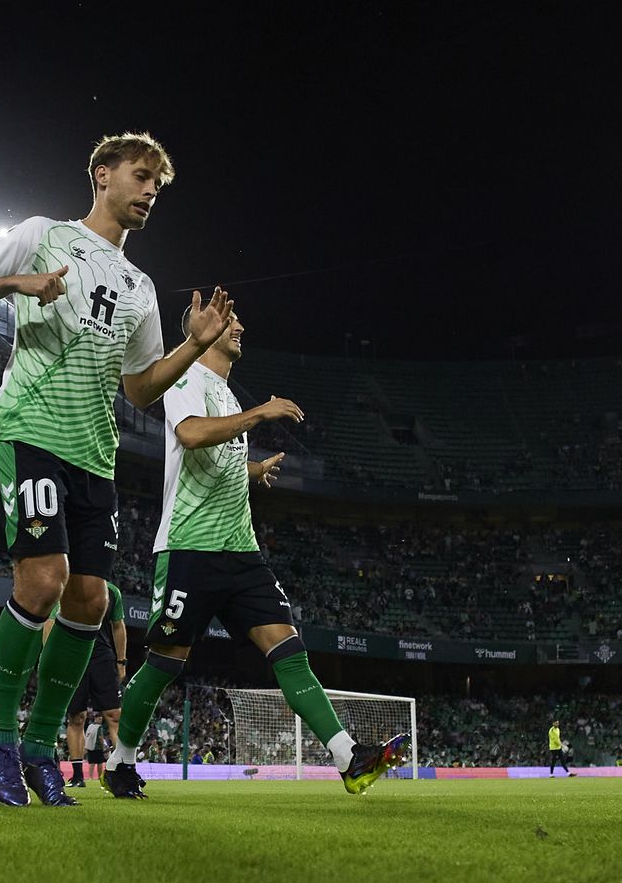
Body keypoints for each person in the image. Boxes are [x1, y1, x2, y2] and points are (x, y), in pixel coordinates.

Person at [0, 131, 234, 807]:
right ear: (102, 174)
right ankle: (2, 737)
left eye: (159, 182)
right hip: (29, 429)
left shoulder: (140, 285)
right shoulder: (43, 234)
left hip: (93, 452)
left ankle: (43, 747)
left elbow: (139, 389)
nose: (151, 190)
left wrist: (193, 344)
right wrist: (16, 282)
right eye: (141, 175)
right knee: (44, 578)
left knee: (91, 600)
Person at [102, 307, 407, 799]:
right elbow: (191, 434)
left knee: (288, 648)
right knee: (164, 662)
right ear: (203, 331)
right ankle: (120, 761)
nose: (240, 326)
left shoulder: (225, 393)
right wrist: (260, 413)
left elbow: (215, 462)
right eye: (231, 321)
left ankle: (348, 756)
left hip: (242, 551)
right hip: (189, 546)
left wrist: (252, 469)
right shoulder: (188, 376)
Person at [54, 579, 126, 788]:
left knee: (113, 715)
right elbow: (51, 621)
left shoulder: (112, 591)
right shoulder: (66, 585)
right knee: (76, 716)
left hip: (101, 656)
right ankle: (77, 776)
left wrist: (121, 661)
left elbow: (118, 626)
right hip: (72, 655)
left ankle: (123, 769)